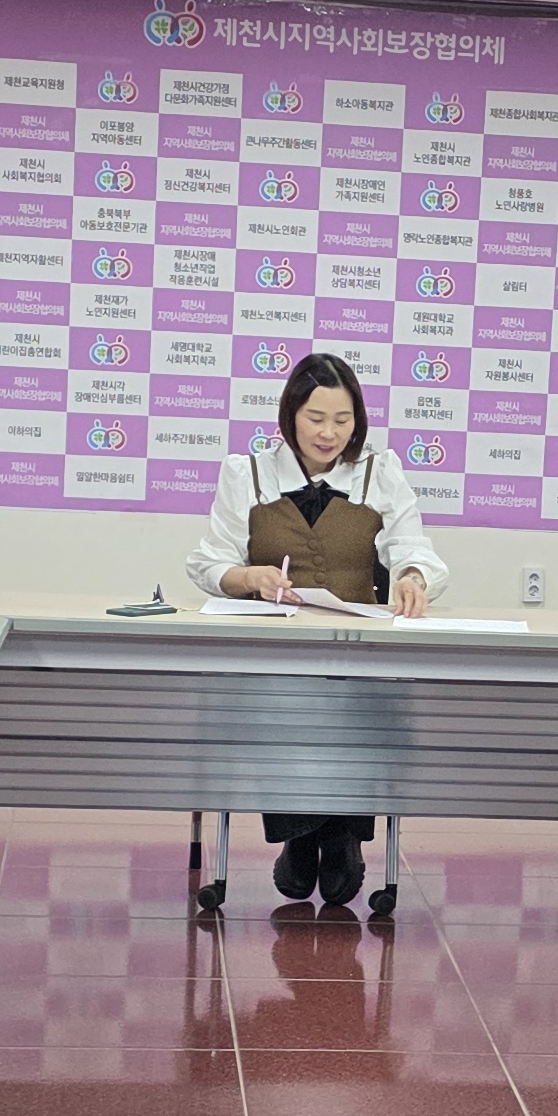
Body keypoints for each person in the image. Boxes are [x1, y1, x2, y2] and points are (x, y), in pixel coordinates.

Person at [184, 353, 452, 907]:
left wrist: (413, 577)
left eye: (342, 420)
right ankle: (302, 835)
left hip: (358, 658)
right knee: (281, 705)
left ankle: (341, 834)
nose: (329, 433)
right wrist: (248, 577)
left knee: (357, 708)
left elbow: (414, 547)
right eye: (316, 418)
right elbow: (208, 564)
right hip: (276, 658)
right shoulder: (246, 473)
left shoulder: (380, 472)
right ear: (290, 416)